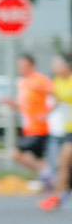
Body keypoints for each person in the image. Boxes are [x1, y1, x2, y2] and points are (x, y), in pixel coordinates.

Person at [2, 54, 54, 187]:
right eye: (19, 66)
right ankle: (47, 178)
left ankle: (46, 173)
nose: (20, 68)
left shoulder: (39, 80)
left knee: (15, 153)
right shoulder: (23, 83)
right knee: (37, 158)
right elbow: (23, 106)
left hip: (40, 127)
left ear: (31, 66)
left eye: (23, 66)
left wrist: (46, 113)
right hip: (29, 127)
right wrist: (11, 104)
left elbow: (56, 95)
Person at [39, 54, 72, 211]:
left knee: (64, 161)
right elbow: (59, 100)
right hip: (69, 129)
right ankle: (59, 196)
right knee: (62, 163)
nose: (54, 68)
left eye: (57, 65)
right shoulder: (58, 82)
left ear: (67, 66)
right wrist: (46, 114)